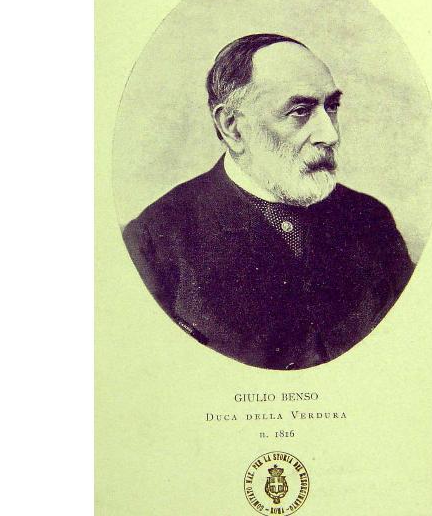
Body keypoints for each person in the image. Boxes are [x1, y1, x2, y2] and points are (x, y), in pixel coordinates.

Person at [123, 33, 414, 370]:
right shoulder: (156, 239)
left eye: (331, 107)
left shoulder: (370, 219)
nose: (330, 135)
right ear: (232, 127)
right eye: (300, 111)